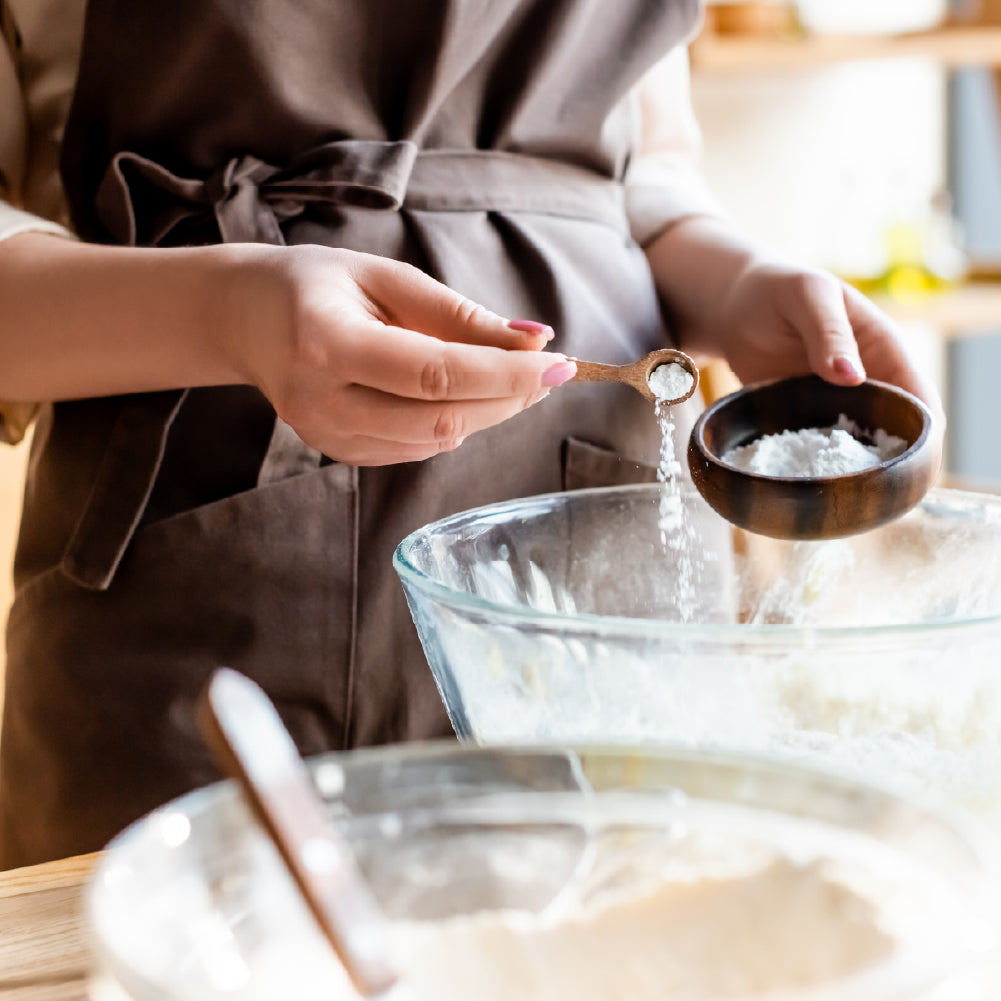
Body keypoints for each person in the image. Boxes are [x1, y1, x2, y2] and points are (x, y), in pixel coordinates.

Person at [0, 0, 943, 869]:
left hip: (609, 583)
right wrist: (226, 313)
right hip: (196, 587)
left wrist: (734, 283)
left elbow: (643, 180)